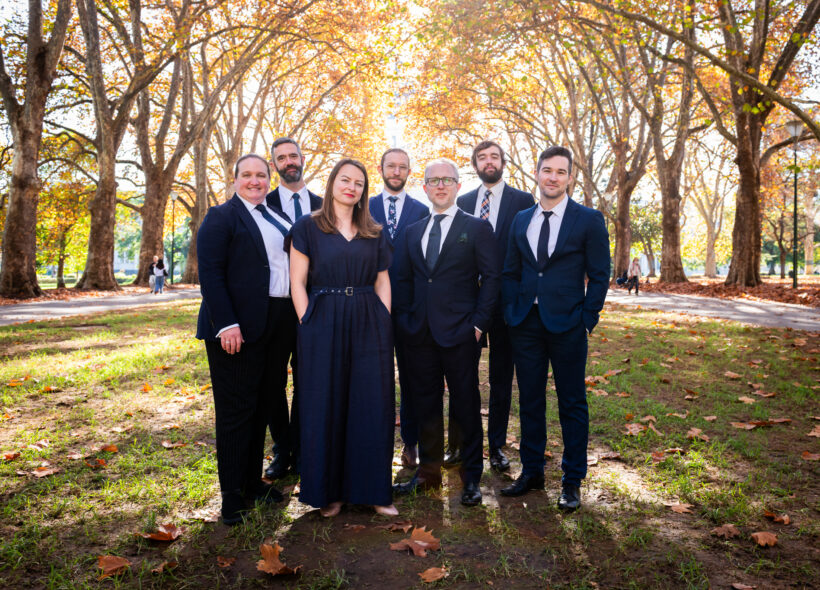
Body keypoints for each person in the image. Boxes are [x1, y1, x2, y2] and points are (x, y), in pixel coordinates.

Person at [500, 146, 610, 511]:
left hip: (568, 325)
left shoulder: (588, 219)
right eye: (547, 170)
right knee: (530, 400)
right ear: (537, 173)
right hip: (526, 324)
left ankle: (572, 481)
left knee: (571, 402)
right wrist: (511, 309)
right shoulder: (521, 219)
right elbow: (511, 271)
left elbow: (599, 274)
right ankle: (531, 472)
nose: (552, 177)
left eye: (560, 172)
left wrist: (587, 319)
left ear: (569, 177)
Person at [289, 158, 397, 518]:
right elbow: (297, 282)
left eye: (359, 183)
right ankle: (329, 493)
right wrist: (308, 321)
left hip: (369, 319)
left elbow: (383, 280)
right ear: (333, 182)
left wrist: (383, 319)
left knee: (372, 403)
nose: (351, 187)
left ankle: (375, 492)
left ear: (364, 191)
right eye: (345, 180)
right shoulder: (307, 227)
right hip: (323, 318)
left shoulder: (374, 231)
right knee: (326, 404)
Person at [392, 158, 500, 507]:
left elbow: (492, 279)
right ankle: (428, 476)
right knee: (425, 405)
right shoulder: (412, 232)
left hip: (461, 334)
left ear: (457, 186)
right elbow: (405, 281)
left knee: (466, 405)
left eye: (447, 180)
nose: (440, 185)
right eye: (433, 180)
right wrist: (407, 321)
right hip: (419, 335)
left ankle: (471, 479)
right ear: (424, 187)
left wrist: (479, 323)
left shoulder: (477, 228)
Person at [196, 154, 287, 525]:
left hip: (277, 325)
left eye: (261, 175)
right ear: (234, 180)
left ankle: (252, 482)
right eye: (247, 175)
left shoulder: (277, 216)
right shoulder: (221, 217)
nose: (255, 181)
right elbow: (211, 275)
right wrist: (227, 323)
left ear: (270, 179)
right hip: (237, 328)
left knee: (263, 406)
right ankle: (232, 497)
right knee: (236, 412)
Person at [451, 140, 534, 473]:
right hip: (468, 303)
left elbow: (527, 253)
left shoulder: (523, 201)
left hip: (507, 305)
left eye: (494, 157)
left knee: (501, 376)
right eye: (482, 157)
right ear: (475, 164)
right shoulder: (463, 201)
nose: (488, 162)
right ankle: (458, 443)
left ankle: (497, 445)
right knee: (461, 375)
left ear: (503, 162)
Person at [263, 137, 323, 481]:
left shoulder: (323, 204)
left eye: (293, 156)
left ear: (303, 159)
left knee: (308, 380)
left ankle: (302, 450)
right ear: (275, 165)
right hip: (275, 308)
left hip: (315, 306)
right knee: (272, 382)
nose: (288, 161)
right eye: (281, 158)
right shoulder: (262, 202)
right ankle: (281, 449)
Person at [369, 148, 429, 469]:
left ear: (409, 172)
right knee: (376, 378)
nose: (396, 171)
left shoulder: (421, 210)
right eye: (391, 165)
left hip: (409, 310)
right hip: (371, 308)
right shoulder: (364, 207)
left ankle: (411, 443)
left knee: (411, 378)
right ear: (380, 168)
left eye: (402, 166)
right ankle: (377, 442)